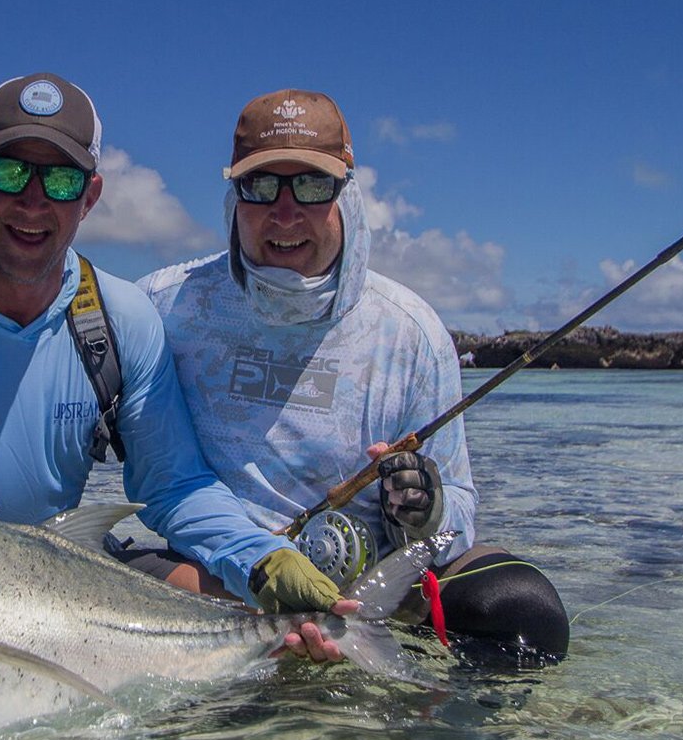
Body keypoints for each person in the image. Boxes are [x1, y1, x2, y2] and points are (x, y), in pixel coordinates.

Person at [0, 74, 354, 740]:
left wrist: (262, 560)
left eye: (63, 181)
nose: (34, 201)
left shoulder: (118, 317)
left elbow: (173, 486)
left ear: (92, 195)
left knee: (238, 620)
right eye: (12, 171)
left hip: (68, 573)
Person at [132, 89, 569, 663]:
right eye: (261, 186)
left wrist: (427, 510)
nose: (284, 213)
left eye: (312, 187)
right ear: (232, 196)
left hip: (375, 586)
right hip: (215, 577)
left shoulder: (412, 331)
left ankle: (438, 738)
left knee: (524, 610)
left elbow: (458, 519)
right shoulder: (163, 307)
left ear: (349, 196)